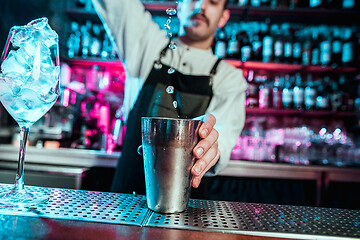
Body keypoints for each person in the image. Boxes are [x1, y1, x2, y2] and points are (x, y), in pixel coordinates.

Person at [92, 0, 247, 195]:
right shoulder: (148, 47)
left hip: (187, 209)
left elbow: (224, 133)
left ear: (223, 17)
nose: (200, 7)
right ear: (179, 6)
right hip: (126, 202)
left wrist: (212, 145)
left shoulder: (229, 78)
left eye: (213, 2)